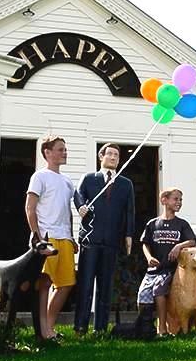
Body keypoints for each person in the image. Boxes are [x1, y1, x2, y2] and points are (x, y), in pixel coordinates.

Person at [74, 143, 135, 334]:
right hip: (90, 240)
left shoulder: (126, 184)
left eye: (117, 155)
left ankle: (100, 328)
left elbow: (130, 211)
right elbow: (78, 194)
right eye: (109, 154)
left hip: (111, 241)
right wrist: (81, 207)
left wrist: (129, 235)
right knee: (85, 284)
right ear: (101, 157)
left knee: (105, 286)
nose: (113, 157)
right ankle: (80, 326)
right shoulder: (89, 178)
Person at [24, 134, 77, 340]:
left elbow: (67, 211)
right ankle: (44, 331)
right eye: (60, 149)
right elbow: (30, 207)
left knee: (66, 284)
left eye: (65, 149)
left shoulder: (67, 181)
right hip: (46, 237)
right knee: (44, 283)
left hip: (64, 238)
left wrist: (72, 237)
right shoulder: (40, 176)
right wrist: (36, 237)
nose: (65, 153)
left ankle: (48, 327)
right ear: (47, 152)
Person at [136, 187, 196, 336]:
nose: (179, 202)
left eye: (181, 200)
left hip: (171, 270)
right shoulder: (153, 224)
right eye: (176, 199)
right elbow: (145, 243)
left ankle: (162, 329)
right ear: (164, 200)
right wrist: (149, 258)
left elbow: (192, 241)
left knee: (159, 290)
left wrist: (179, 246)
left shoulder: (182, 224)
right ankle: (145, 328)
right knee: (142, 294)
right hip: (154, 270)